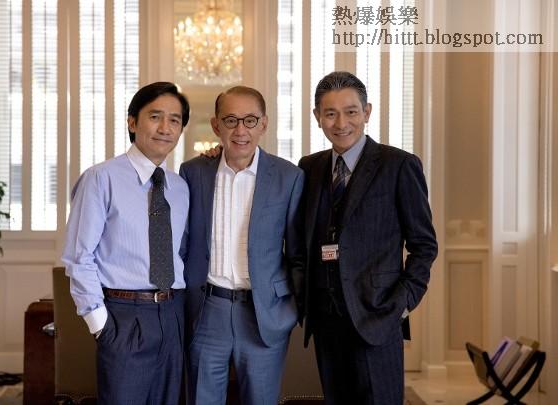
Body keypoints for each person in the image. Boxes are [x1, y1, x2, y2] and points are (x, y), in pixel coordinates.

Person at [294, 71, 438, 404]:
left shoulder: (399, 165)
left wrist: (402, 303)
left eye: (351, 112)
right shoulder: (309, 167)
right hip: (325, 320)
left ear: (367, 112)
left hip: (378, 316)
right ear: (317, 117)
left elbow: (424, 245)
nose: (341, 123)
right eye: (330, 113)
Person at [62, 82, 190, 405]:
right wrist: (100, 325)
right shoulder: (100, 178)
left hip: (173, 314)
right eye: (155, 117)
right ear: (132, 122)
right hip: (124, 317)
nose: (165, 128)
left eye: (174, 120)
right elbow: (79, 257)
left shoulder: (180, 187)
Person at [179, 85, 304, 405]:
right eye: (230, 120)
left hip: (264, 314)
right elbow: (182, 242)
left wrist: (291, 310)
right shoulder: (193, 172)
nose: (240, 130)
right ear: (216, 125)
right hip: (207, 311)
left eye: (250, 120)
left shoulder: (289, 177)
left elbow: (298, 253)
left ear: (264, 124)